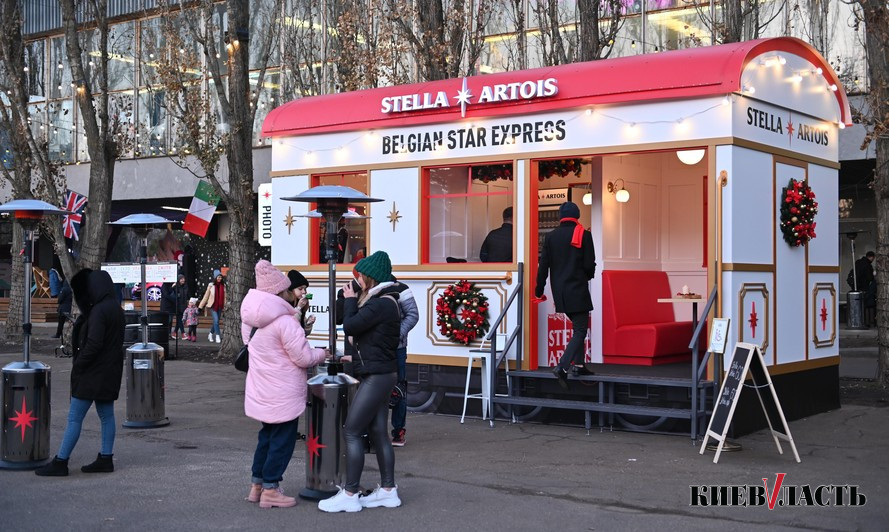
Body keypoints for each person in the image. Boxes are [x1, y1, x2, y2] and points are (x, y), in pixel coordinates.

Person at [319, 251, 402, 512]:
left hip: (376, 377)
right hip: (382, 373)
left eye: (361, 276)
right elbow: (367, 336)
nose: (358, 281)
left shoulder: (381, 304)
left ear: (371, 278)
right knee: (378, 432)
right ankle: (388, 491)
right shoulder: (387, 302)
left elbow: (352, 326)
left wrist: (351, 299)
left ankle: (351, 493)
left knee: (352, 431)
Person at [242, 260, 327, 509]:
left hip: (261, 388)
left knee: (266, 436)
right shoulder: (286, 321)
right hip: (283, 391)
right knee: (282, 440)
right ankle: (271, 489)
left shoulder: (251, 321)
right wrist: (323, 353)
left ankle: (257, 486)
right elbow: (303, 357)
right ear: (280, 291)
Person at [36, 269, 125, 477]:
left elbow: (94, 344)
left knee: (75, 417)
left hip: (92, 373)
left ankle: (61, 461)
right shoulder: (116, 309)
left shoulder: (99, 311)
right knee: (106, 415)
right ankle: (105, 458)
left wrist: (79, 364)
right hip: (110, 371)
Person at [535, 201, 596, 389]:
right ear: (577, 215)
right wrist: (586, 276)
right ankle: (562, 367)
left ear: (560, 216)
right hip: (577, 288)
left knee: (577, 327)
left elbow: (544, 265)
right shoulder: (584, 235)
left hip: (559, 291)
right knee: (580, 329)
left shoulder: (551, 237)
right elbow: (589, 264)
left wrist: (539, 288)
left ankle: (579, 365)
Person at [389, 276, 418, 447]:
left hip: (397, 347)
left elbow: (413, 315)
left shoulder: (401, 288)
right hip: (377, 348)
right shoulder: (369, 287)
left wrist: (396, 335)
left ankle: (398, 431)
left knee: (398, 388)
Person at [199, 270, 225, 343]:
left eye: (220, 277)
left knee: (216, 322)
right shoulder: (211, 286)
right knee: (216, 321)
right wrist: (200, 307)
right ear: (215, 277)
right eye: (218, 277)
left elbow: (225, 298)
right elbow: (205, 297)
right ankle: (217, 336)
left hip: (220, 306)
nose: (219, 278)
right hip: (212, 306)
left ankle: (210, 334)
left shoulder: (224, 286)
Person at [287, 269, 316, 335]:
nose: (304, 292)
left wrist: (308, 324)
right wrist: (298, 308)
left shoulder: (299, 303)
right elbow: (291, 327)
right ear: (291, 290)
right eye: (300, 289)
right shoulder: (286, 304)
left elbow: (303, 333)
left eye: (305, 289)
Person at [170, 274, 189, 340]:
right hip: (177, 305)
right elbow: (173, 295)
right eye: (181, 279)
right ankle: (183, 333)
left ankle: (175, 332)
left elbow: (186, 296)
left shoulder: (185, 286)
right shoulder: (175, 287)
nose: (183, 280)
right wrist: (173, 287)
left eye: (183, 278)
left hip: (183, 305)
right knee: (180, 319)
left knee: (179, 320)